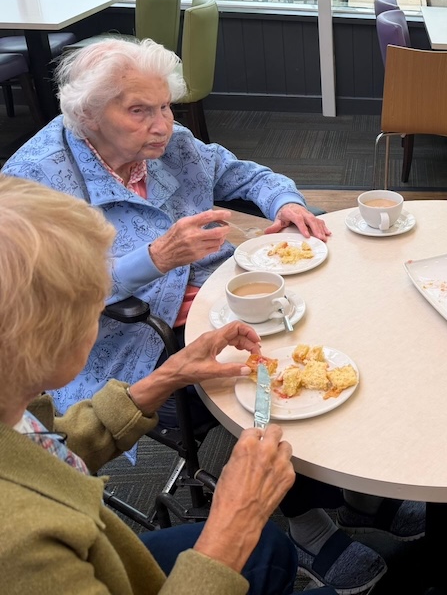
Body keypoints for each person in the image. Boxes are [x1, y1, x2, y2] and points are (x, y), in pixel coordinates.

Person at [1, 37, 408, 594]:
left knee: (334, 328)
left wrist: (285, 202)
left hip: (222, 297)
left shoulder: (171, 144)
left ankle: (347, 488)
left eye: (165, 105)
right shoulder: (36, 183)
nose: (163, 124)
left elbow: (243, 173)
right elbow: (49, 297)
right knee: (277, 375)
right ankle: (313, 515)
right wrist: (154, 260)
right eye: (140, 110)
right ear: (86, 116)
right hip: (134, 334)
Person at [0, 175, 331, 595]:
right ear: (45, 339)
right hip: (99, 561)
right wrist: (234, 522)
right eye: (94, 305)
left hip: (100, 547)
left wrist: (166, 376)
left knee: (269, 548)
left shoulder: (12, 410)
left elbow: (41, 450)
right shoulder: (21, 547)